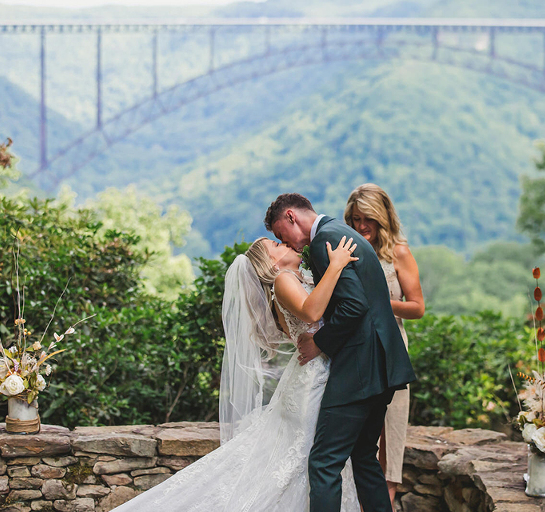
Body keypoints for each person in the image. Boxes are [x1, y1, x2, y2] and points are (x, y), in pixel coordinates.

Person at [111, 235, 361, 512]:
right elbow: (313, 312)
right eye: (277, 246)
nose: (287, 245)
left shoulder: (296, 278)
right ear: (271, 262)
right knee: (303, 457)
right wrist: (336, 265)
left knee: (303, 458)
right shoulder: (283, 281)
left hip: (311, 376)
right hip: (312, 380)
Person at [266, 193, 416, 512]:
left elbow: (353, 306)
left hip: (359, 370)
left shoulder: (326, 242)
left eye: (281, 234)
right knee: (363, 457)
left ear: (291, 216)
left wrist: (318, 342)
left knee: (323, 464)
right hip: (384, 366)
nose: (289, 244)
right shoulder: (341, 233)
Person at [345, 183, 425, 507]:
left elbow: (418, 307)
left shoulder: (398, 253)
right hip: (354, 356)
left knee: (389, 445)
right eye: (354, 219)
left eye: (368, 219)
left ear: (383, 218)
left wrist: (381, 303)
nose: (361, 226)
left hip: (391, 354)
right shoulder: (345, 250)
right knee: (357, 442)